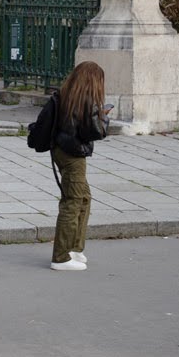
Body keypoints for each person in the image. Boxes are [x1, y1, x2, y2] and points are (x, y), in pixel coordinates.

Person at [44, 60, 112, 271]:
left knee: (83, 197)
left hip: (61, 151)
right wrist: (103, 117)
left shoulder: (66, 96)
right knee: (72, 201)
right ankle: (61, 257)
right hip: (73, 155)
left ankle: (75, 248)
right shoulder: (84, 102)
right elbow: (96, 132)